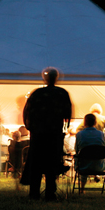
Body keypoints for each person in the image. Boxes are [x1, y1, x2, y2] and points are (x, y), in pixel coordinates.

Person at [22, 67, 72, 201]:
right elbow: (67, 115)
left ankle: (34, 193)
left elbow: (27, 111)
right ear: (57, 78)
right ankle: (50, 193)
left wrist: (30, 126)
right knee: (51, 163)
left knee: (36, 163)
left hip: (38, 134)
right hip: (54, 134)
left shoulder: (37, 93)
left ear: (45, 78)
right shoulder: (62, 93)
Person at [75, 113, 105, 193]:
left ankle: (82, 188)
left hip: (83, 166)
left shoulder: (79, 134)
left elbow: (76, 150)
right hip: (99, 167)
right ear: (95, 123)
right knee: (89, 160)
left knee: (83, 160)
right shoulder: (101, 134)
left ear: (84, 123)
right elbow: (102, 149)